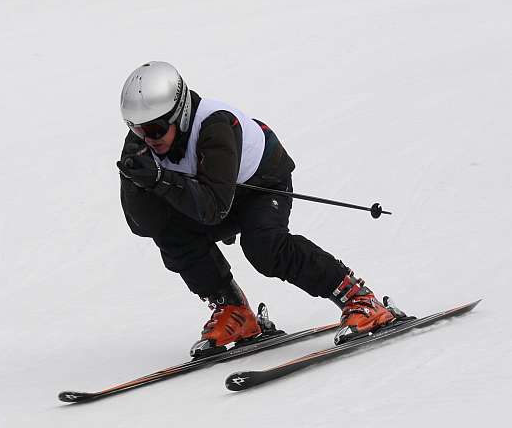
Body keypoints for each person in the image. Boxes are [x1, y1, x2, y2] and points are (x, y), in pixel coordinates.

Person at [117, 61, 397, 356]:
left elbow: (213, 209)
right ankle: (235, 312)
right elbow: (143, 226)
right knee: (170, 235)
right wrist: (136, 183)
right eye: (136, 129)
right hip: (213, 196)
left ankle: (359, 299)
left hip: (262, 185)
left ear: (181, 113)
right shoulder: (141, 144)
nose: (147, 138)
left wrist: (160, 180)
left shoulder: (215, 126)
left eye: (156, 128)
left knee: (264, 246)